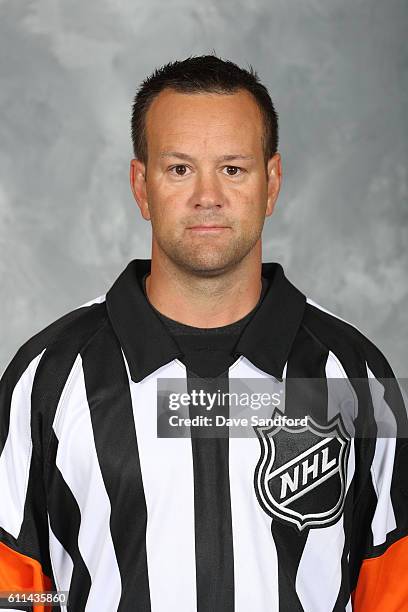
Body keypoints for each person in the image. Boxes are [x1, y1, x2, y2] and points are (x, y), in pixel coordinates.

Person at [0, 54, 407, 612]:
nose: (207, 197)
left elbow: (391, 589)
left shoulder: (356, 376)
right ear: (142, 185)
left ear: (272, 182)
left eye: (233, 169)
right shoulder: (46, 377)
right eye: (180, 169)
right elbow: (14, 589)